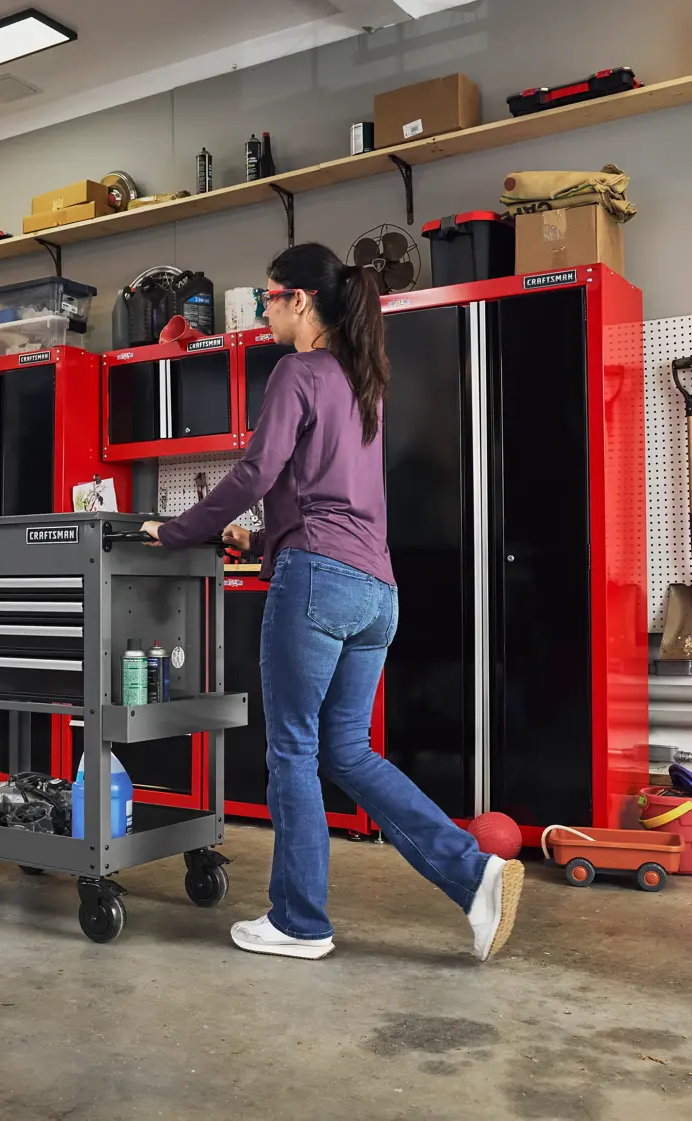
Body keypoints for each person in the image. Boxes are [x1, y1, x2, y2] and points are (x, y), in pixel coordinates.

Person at [141, 243, 523, 963]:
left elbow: (259, 468)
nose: (263, 313)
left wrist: (179, 529)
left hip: (315, 583)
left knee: (292, 747)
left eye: (267, 298)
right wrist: (250, 532)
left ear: (300, 301)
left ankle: (299, 920)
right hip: (376, 590)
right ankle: (476, 874)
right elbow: (329, 493)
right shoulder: (361, 381)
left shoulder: (298, 371)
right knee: (347, 749)